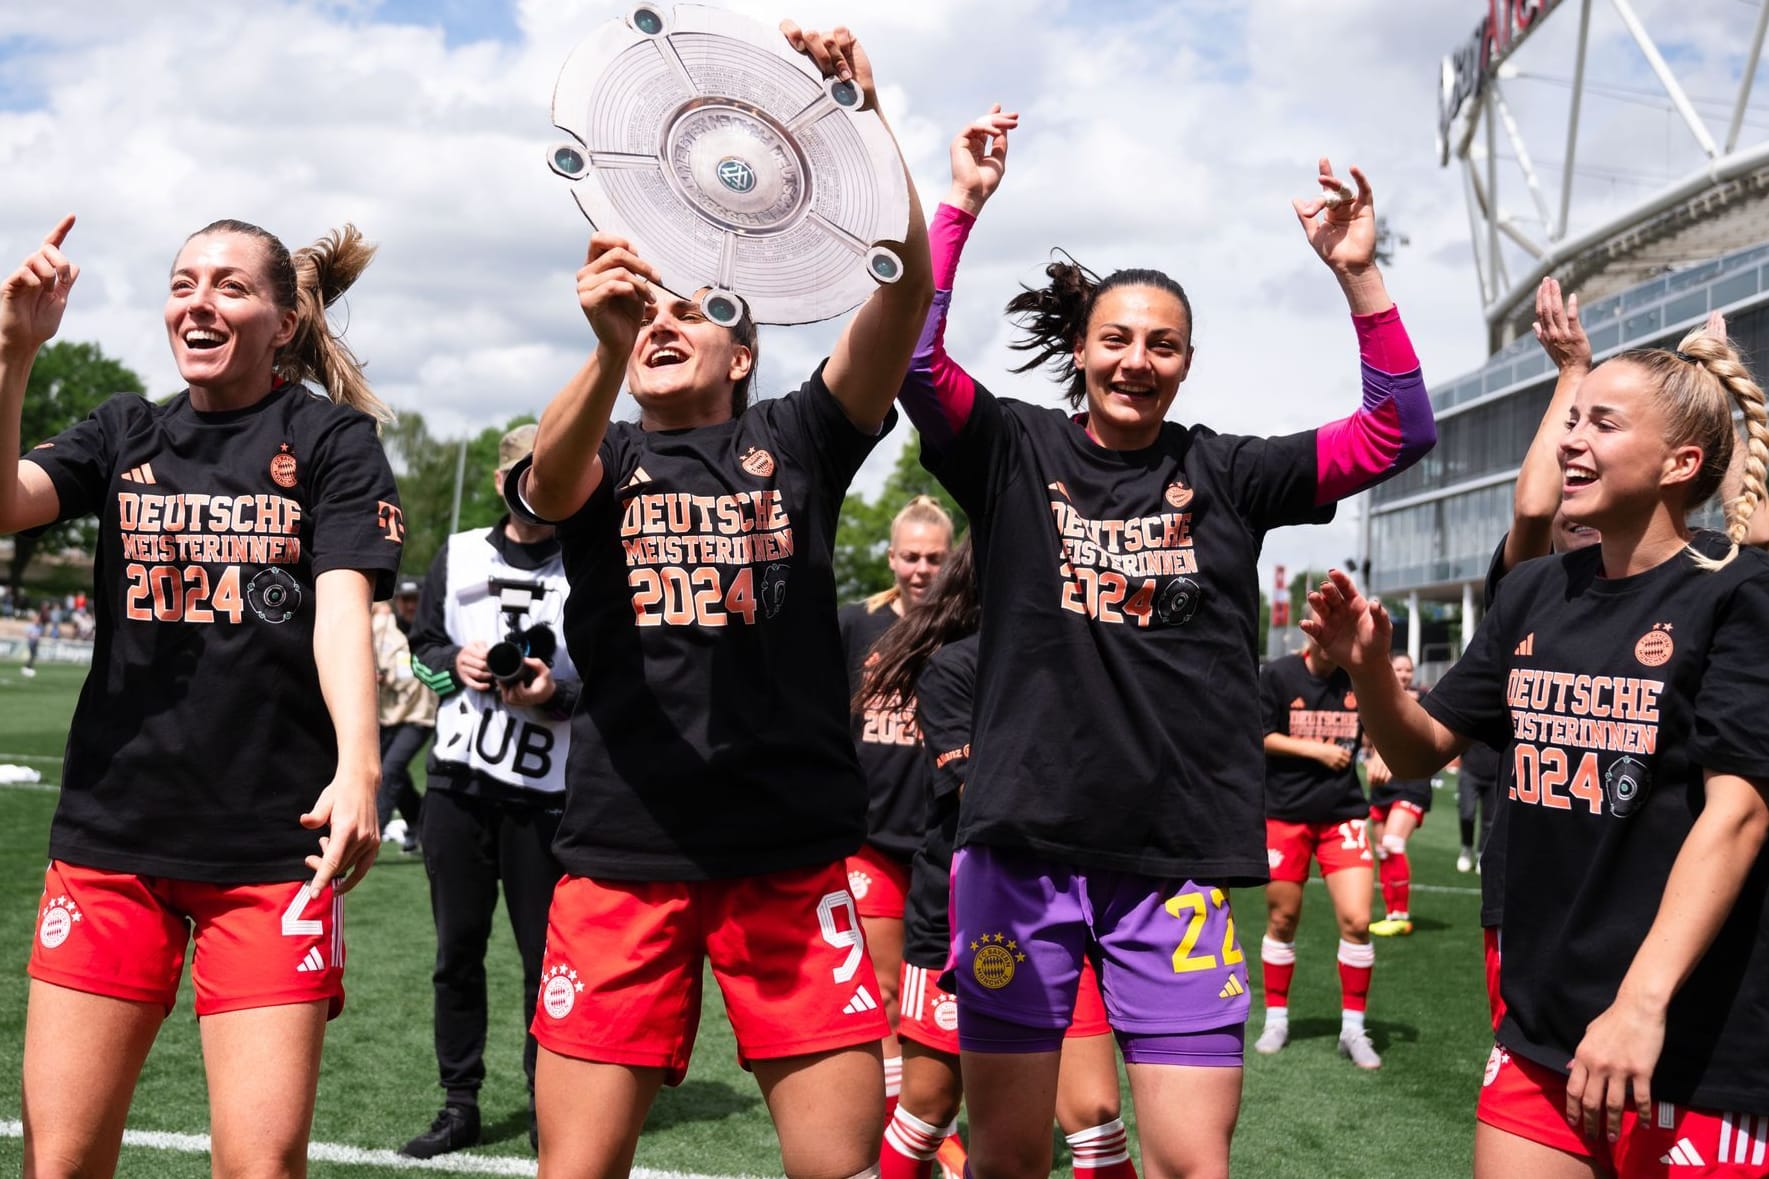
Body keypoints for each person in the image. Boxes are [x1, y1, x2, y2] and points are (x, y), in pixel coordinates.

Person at [897, 104, 1433, 1176]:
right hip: (1019, 855)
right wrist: (957, 206)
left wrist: (1356, 277)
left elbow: (1395, 432)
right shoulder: (1012, 448)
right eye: (1115, 340)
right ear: (1081, 352)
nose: (1135, 360)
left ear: (1186, 361)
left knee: (1193, 1163)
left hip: (1172, 863)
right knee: (1007, 1158)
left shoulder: (1226, 471)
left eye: (1161, 344)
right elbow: (915, 361)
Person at [506, 21, 933, 1177]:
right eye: (647, 309)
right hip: (620, 856)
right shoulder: (601, 442)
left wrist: (863, 122)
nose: (663, 322)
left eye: (691, 310)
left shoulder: (795, 436)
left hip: (791, 859)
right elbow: (547, 489)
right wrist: (601, 352)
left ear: (744, 353)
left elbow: (901, 298)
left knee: (835, 1167)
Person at [1304, 319, 1769, 1177]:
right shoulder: (1531, 591)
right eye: (1571, 419)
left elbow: (1737, 815)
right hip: (1541, 1032)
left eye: (1602, 423)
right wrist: (1370, 669)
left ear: (1679, 466)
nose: (1570, 441)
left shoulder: (1738, 592)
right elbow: (1415, 752)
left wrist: (1639, 1004)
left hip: (1694, 1042)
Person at [0, 214, 401, 1177]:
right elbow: (7, 502)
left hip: (270, 851)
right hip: (111, 838)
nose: (199, 302)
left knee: (259, 1166)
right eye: (184, 283)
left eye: (229, 286)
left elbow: (341, 611)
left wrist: (360, 766)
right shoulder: (124, 427)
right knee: (61, 1161)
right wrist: (14, 352)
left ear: (283, 318)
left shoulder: (332, 441)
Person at [864, 539, 1138, 1179]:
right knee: (928, 1110)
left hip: (1068, 915)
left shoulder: (1088, 662)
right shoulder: (956, 667)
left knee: (1096, 1117)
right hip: (964, 921)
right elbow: (979, 796)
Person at [399, 423, 576, 1159]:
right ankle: (459, 1099)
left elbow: (607, 678)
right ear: (502, 480)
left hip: (547, 793)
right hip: (459, 782)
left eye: (548, 474)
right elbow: (423, 652)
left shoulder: (590, 563)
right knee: (457, 950)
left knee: (545, 960)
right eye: (521, 474)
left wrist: (554, 693)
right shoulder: (461, 551)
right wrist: (458, 663)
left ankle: (549, 1105)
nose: (533, 487)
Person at [841, 494, 955, 1115]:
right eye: (910, 556)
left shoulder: (972, 629)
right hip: (873, 844)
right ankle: (898, 1139)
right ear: (891, 558)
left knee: (938, 998)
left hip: (947, 844)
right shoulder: (855, 625)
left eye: (934, 558)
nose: (921, 569)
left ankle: (926, 1121)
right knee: (884, 993)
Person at [1252, 637, 1381, 1068]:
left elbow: (1382, 724)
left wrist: (1381, 753)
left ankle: (1353, 1028)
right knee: (1283, 919)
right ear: (1312, 636)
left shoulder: (1359, 675)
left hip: (1342, 814)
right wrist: (1315, 749)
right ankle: (1276, 1019)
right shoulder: (1278, 675)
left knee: (1358, 920)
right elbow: (1259, 734)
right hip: (1285, 815)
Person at [1366, 652, 1430, 936]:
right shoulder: (1374, 698)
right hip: (1381, 784)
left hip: (1411, 781)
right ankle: (1391, 913)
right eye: (1399, 668)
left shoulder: (1423, 701)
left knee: (1393, 843)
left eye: (1408, 670)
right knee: (1383, 851)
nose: (1404, 674)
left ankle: (1401, 915)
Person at [374, 577, 434, 853]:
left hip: (421, 715)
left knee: (390, 770)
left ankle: (373, 833)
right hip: (388, 713)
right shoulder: (384, 628)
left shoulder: (434, 627)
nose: (411, 605)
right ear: (397, 601)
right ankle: (417, 818)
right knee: (396, 774)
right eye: (405, 599)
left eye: (415, 599)